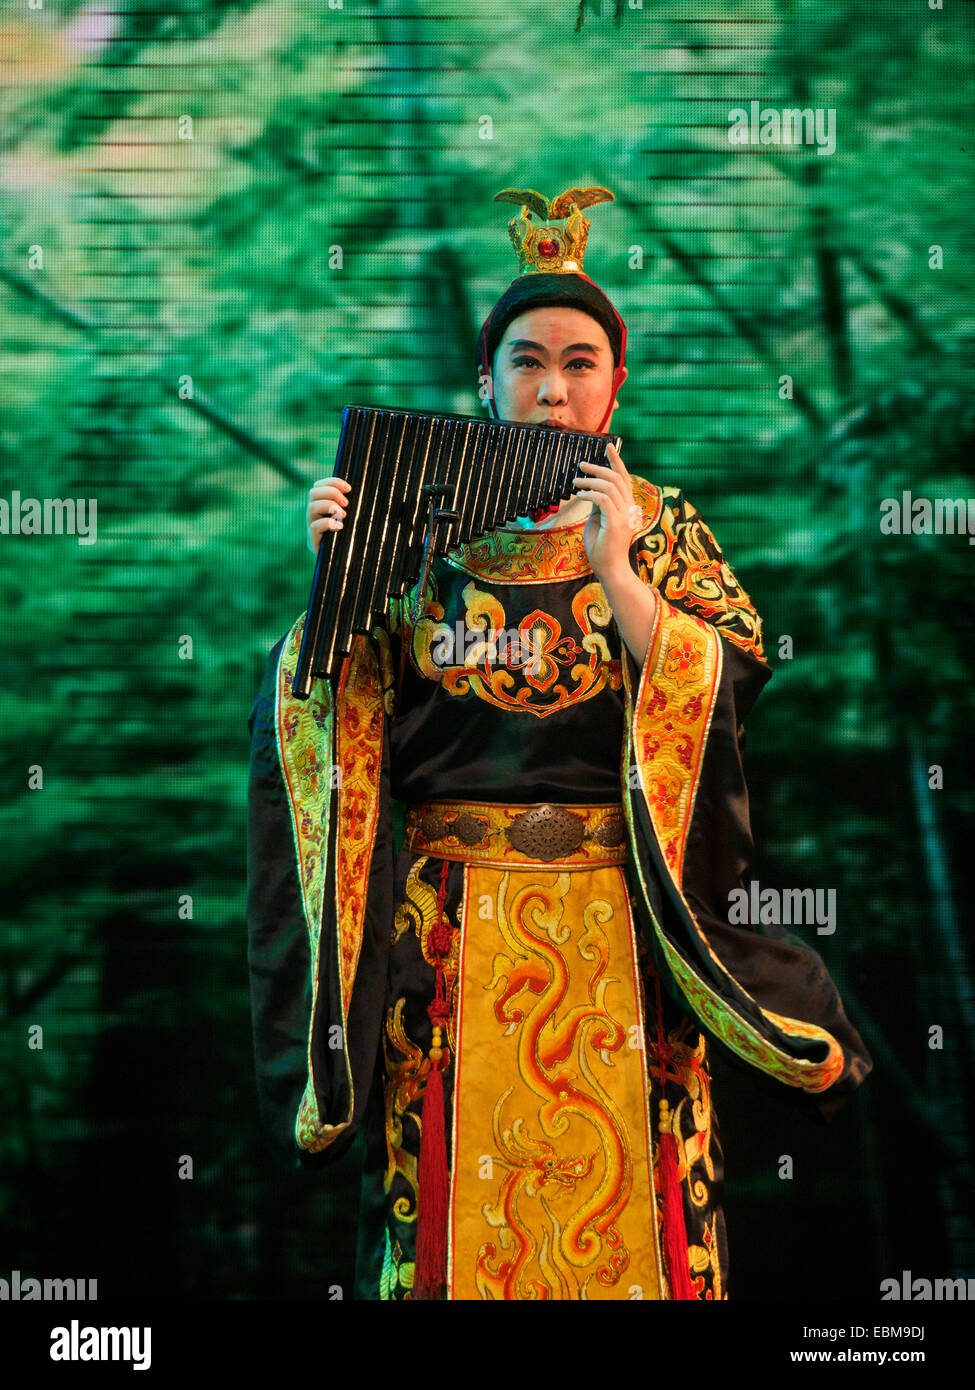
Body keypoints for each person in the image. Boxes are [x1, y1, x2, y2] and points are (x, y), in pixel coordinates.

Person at [247, 185, 871, 1301]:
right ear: (484, 384)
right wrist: (334, 584)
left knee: (637, 1205)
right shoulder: (421, 537)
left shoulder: (663, 521)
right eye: (527, 361)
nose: (552, 386)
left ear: (614, 386)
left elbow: (727, 687)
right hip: (445, 933)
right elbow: (326, 723)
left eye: (581, 362)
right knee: (451, 1201)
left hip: (625, 926)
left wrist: (622, 569)